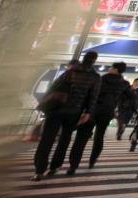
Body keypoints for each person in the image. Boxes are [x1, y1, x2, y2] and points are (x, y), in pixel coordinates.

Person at [32, 51, 101, 181]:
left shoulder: (69, 72)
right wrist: (88, 113)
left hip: (56, 109)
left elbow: (53, 88)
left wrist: (45, 106)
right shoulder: (95, 77)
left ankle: (39, 170)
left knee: (47, 139)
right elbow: (93, 97)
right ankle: (55, 166)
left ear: (83, 59)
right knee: (65, 139)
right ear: (94, 61)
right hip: (74, 112)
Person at [68, 61, 132, 174]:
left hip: (92, 110)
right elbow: (131, 98)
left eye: (111, 67)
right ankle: (92, 161)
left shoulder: (101, 79)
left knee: (81, 137)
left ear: (116, 69)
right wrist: (118, 104)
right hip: (107, 113)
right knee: (99, 137)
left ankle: (73, 165)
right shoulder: (124, 84)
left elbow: (90, 93)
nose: (109, 68)